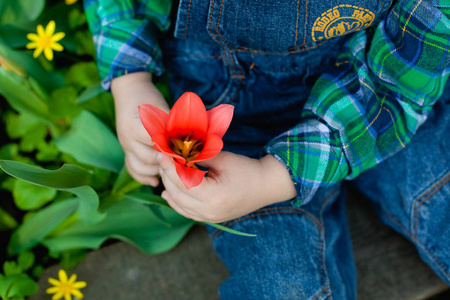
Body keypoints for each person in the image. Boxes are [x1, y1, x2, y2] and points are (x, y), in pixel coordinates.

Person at [84, 0, 450, 298]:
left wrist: (275, 177)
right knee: (282, 285)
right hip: (233, 136)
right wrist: (131, 78)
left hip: (379, 104)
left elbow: (406, 76)